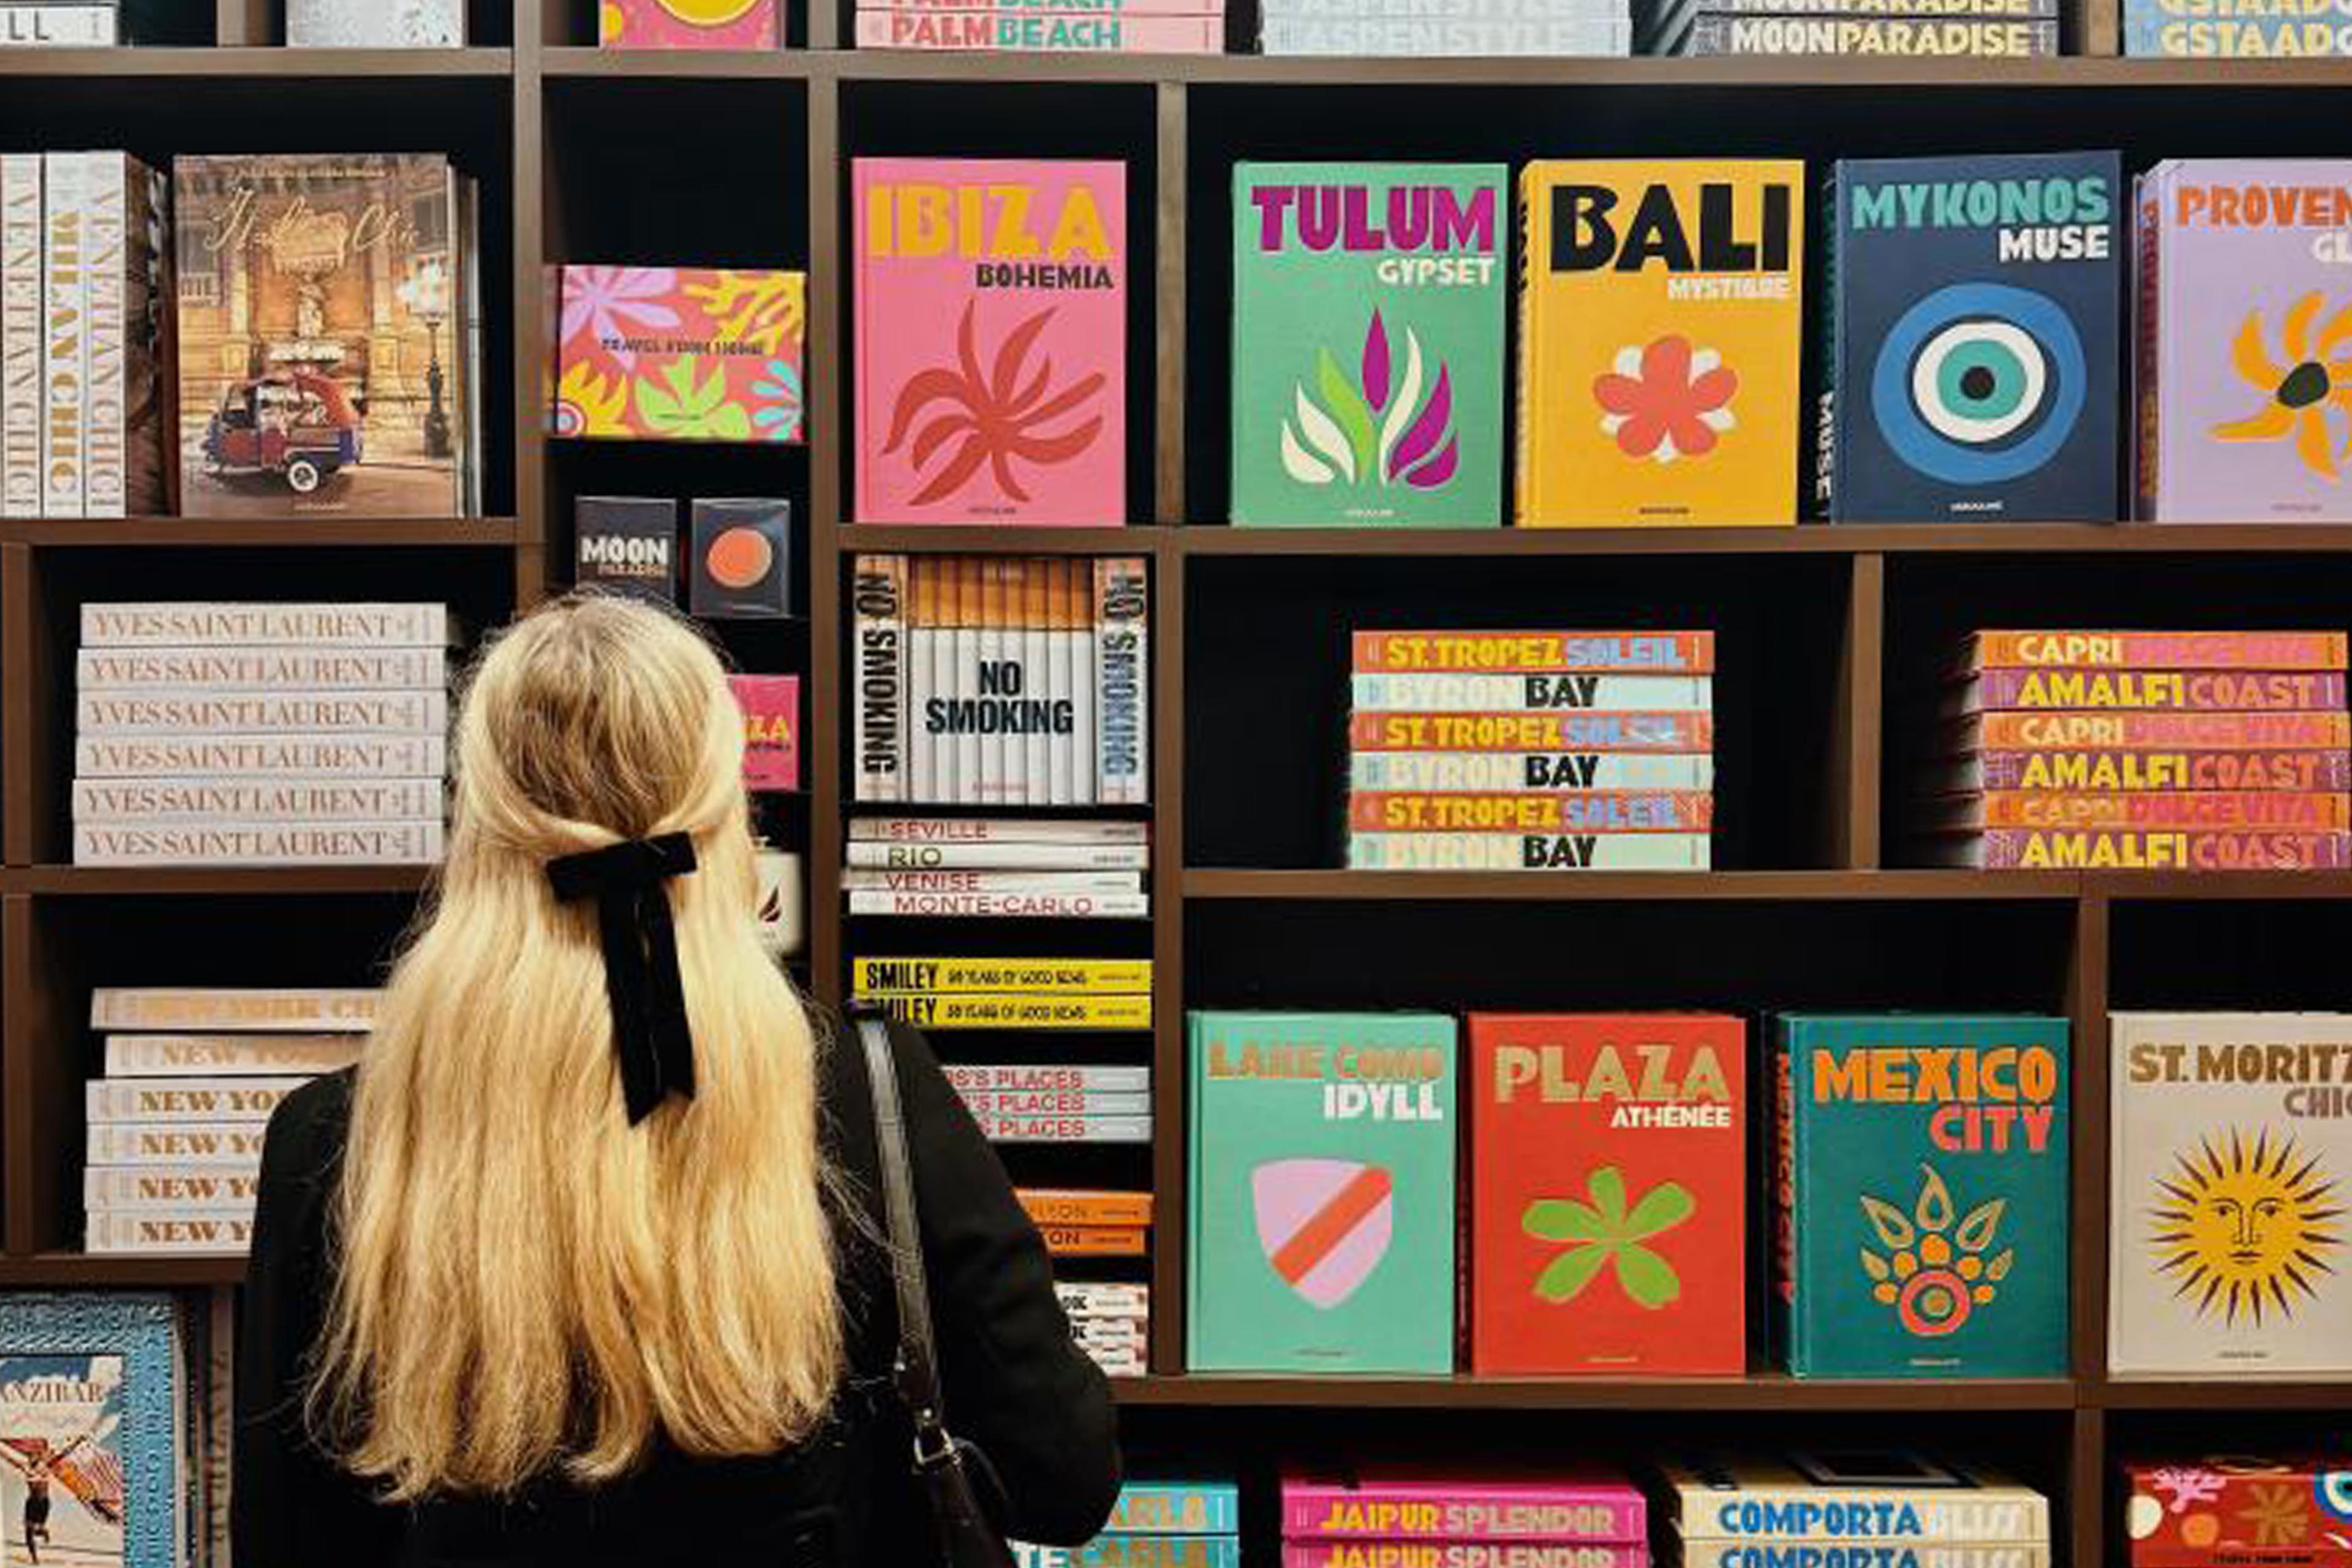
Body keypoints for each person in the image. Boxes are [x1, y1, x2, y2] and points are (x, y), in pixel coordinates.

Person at [235, 594, 1121, 1567]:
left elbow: (287, 1538)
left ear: (479, 816)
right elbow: (1065, 1478)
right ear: (724, 806)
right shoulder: (873, 1094)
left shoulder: (332, 1137)